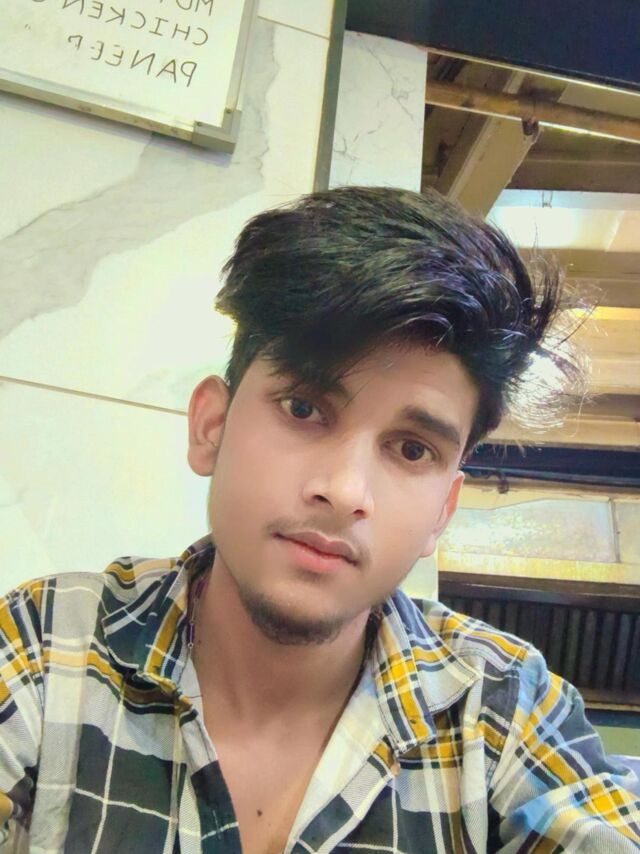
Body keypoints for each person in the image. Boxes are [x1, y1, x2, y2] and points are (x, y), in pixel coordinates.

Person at [0, 187, 638, 854]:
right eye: (303, 409)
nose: (344, 491)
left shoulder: (502, 710)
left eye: (411, 450)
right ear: (211, 427)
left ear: (442, 512)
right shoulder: (49, 647)